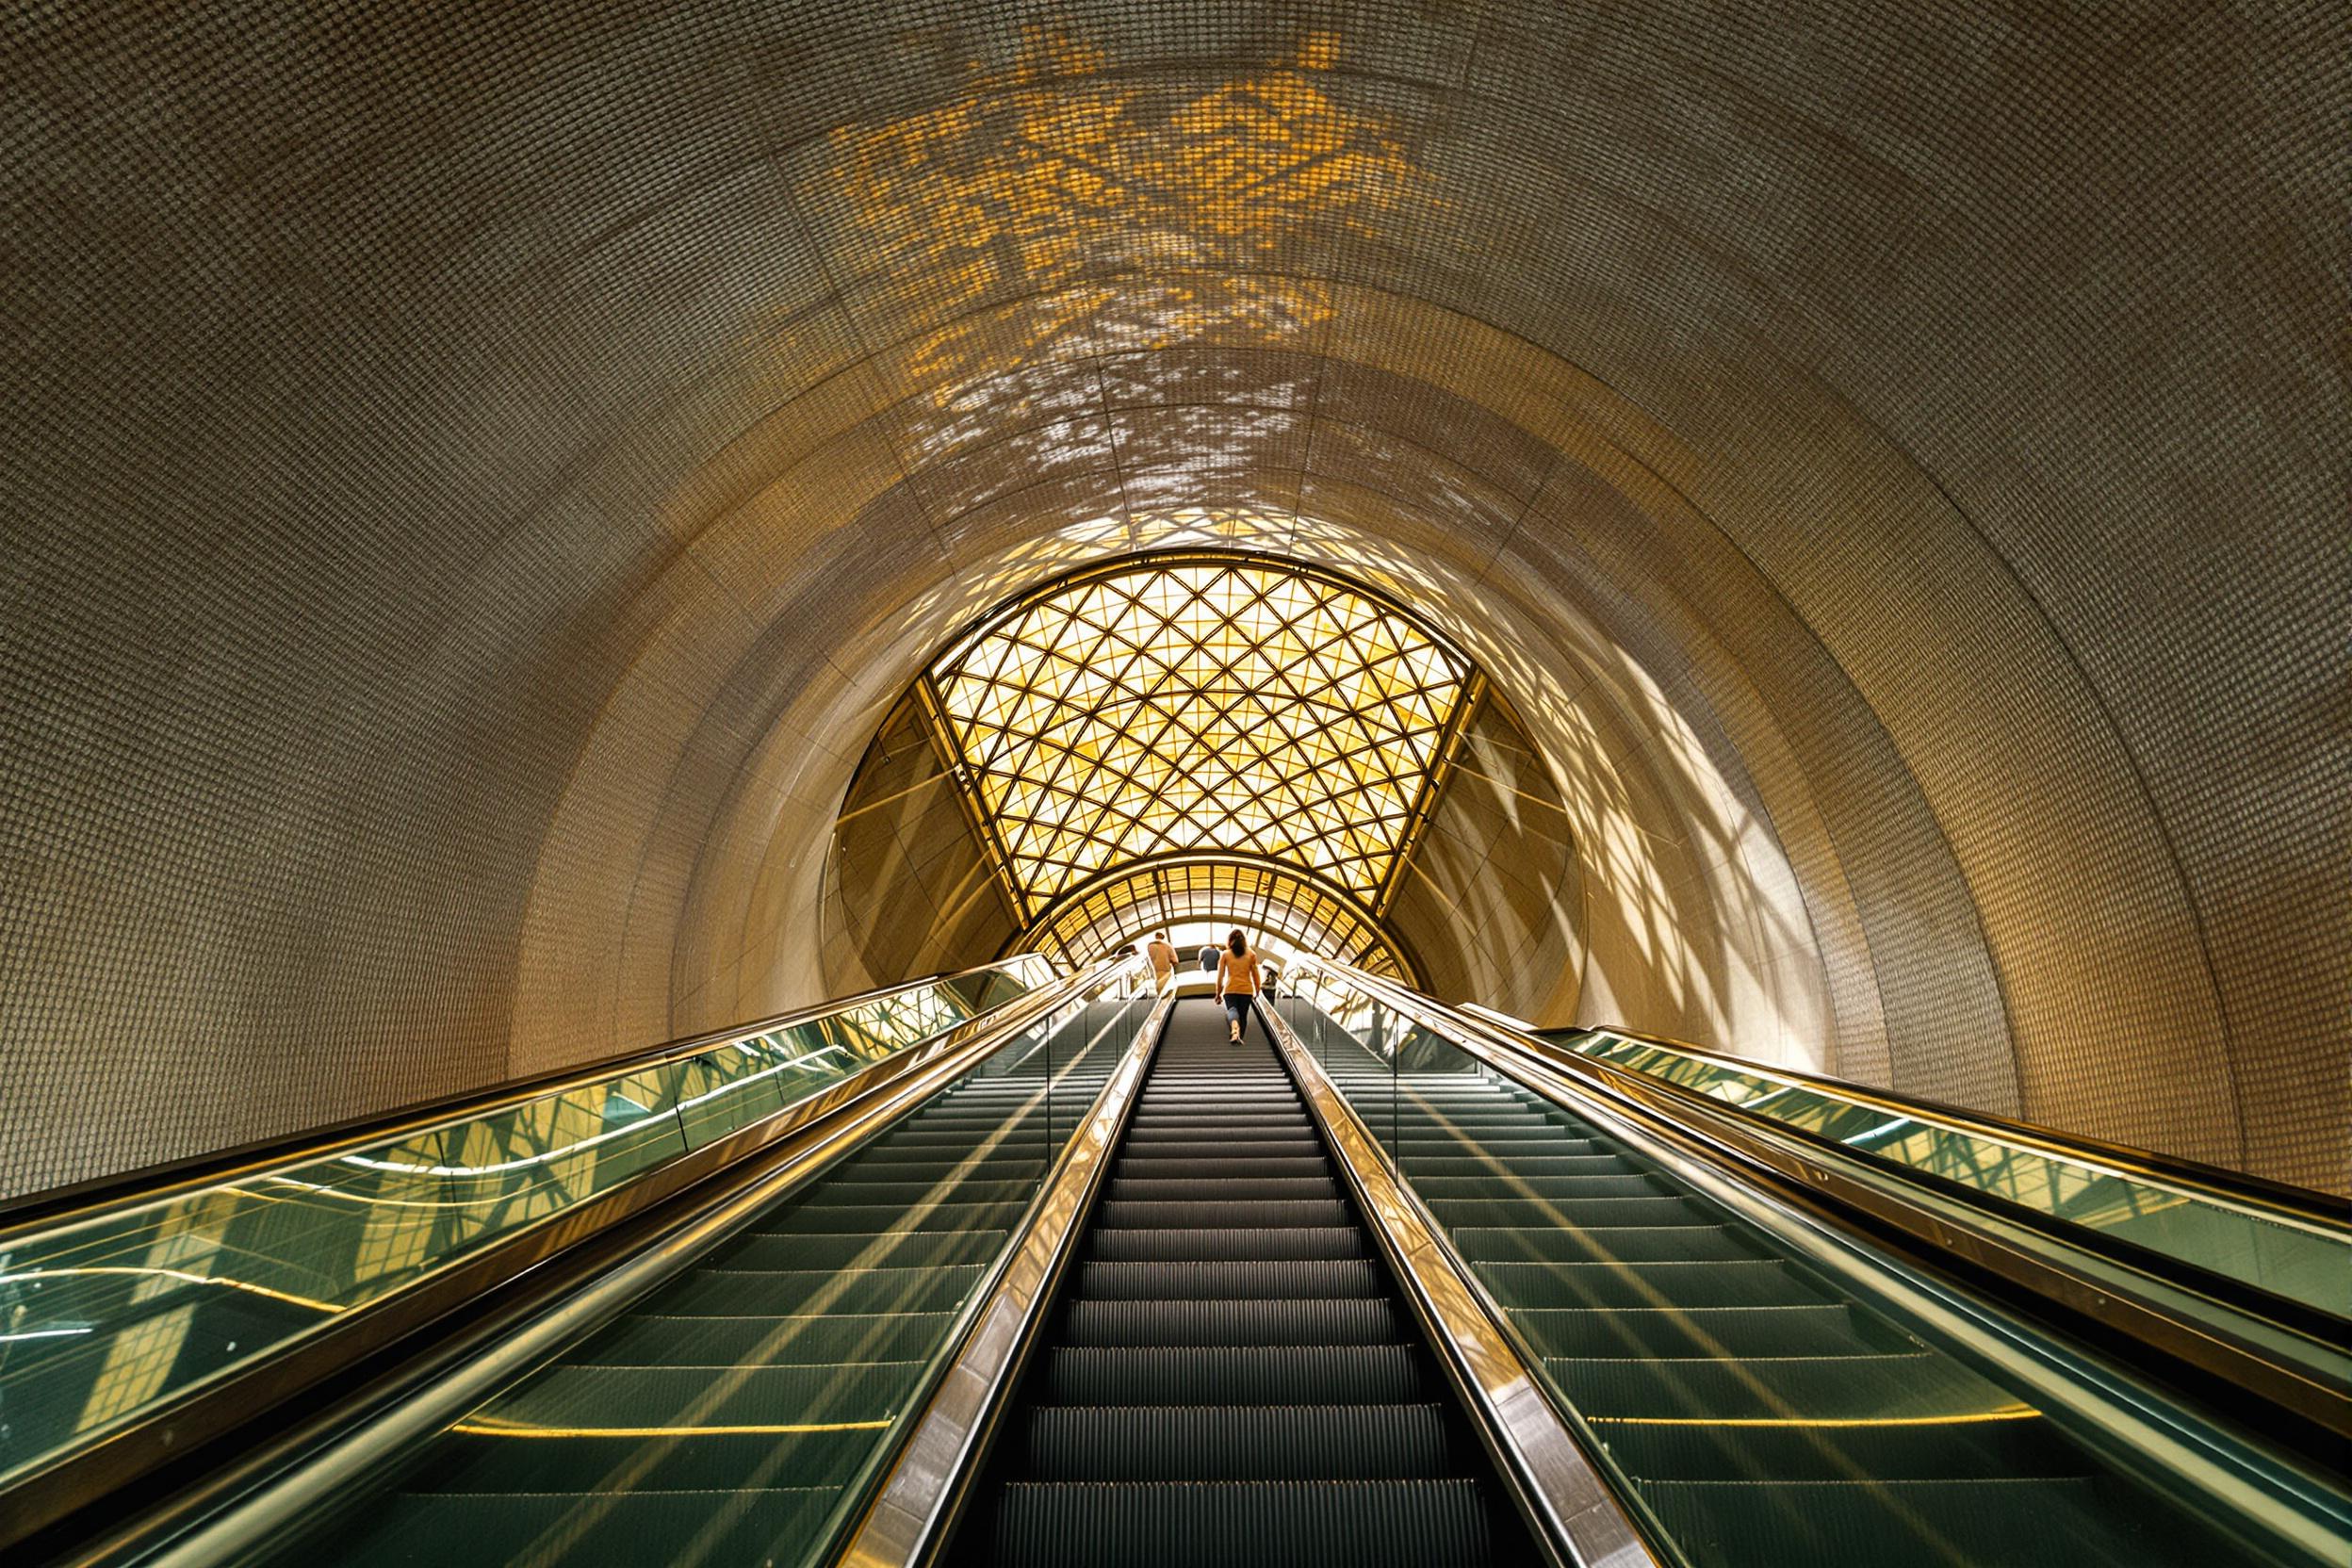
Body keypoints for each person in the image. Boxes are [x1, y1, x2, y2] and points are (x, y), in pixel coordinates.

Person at [1215, 927, 1265, 1045]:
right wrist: (1258, 990)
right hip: (1246, 990)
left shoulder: (1225, 954)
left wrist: (1218, 993)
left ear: (1230, 940)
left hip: (1230, 989)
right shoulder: (1251, 954)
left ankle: (1234, 1029)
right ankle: (1239, 1036)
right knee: (1243, 1015)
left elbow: (1220, 976)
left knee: (1232, 1010)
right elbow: (1255, 975)